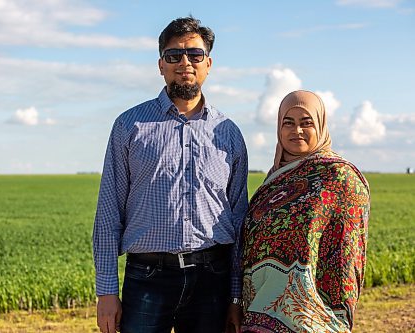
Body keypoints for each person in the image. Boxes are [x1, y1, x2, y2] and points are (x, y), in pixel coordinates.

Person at [92, 17, 249, 333]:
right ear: (161, 64)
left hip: (212, 280)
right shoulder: (130, 126)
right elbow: (108, 214)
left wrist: (235, 295)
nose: (185, 63)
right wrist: (106, 292)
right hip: (147, 278)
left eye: (195, 54)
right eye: (174, 55)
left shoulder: (229, 133)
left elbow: (238, 221)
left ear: (208, 64)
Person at [241, 90, 370, 333]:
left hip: (312, 316)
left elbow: (348, 254)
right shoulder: (272, 182)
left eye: (306, 123)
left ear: (320, 126)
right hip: (257, 310)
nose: (296, 130)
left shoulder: (340, 178)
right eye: (288, 123)